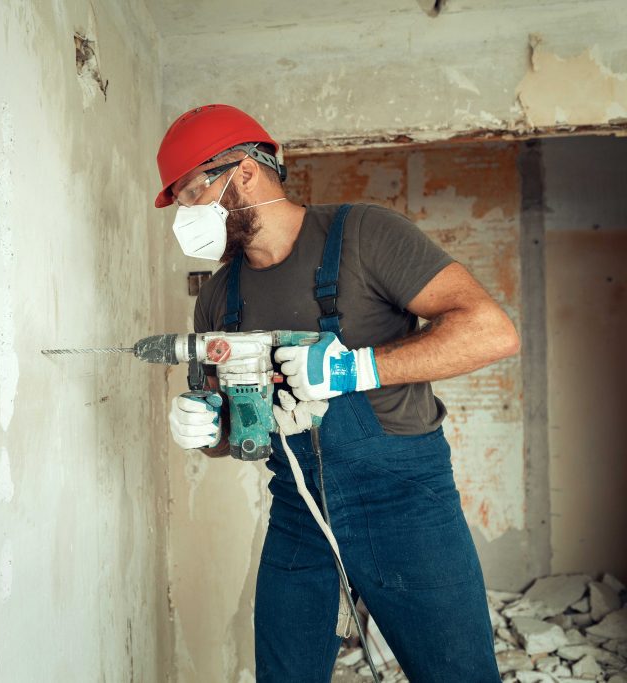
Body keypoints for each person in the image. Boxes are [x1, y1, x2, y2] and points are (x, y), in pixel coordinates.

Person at [156, 104, 519, 683]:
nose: (185, 218)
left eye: (191, 195)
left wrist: (359, 370)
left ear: (243, 173)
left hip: (407, 507)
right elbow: (233, 436)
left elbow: (491, 332)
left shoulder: (365, 234)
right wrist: (205, 431)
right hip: (299, 512)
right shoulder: (219, 297)